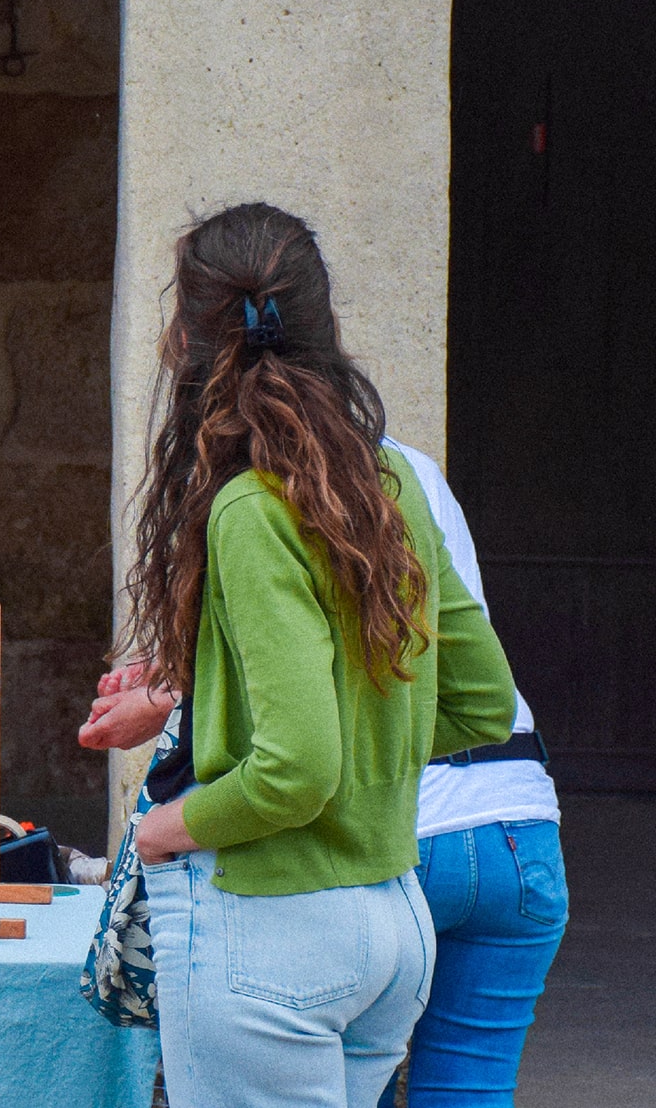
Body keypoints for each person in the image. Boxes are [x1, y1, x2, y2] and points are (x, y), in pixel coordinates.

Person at [110, 202, 517, 1108]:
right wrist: (366, 738)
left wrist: (162, 831)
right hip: (392, 925)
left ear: (187, 340)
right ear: (325, 328)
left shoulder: (249, 510)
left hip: (273, 929)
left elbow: (297, 769)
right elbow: (484, 704)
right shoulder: (394, 480)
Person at [84, 439, 568, 1106]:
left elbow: (302, 710)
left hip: (392, 836)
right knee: (472, 1083)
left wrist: (170, 732)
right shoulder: (403, 472)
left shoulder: (272, 490)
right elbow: (453, 686)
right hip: (520, 822)